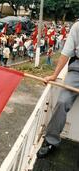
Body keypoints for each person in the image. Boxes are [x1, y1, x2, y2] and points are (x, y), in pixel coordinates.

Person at [37, 21, 79, 158]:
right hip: (77, 69)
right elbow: (66, 52)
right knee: (62, 101)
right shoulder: (77, 27)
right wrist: (55, 75)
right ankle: (51, 140)